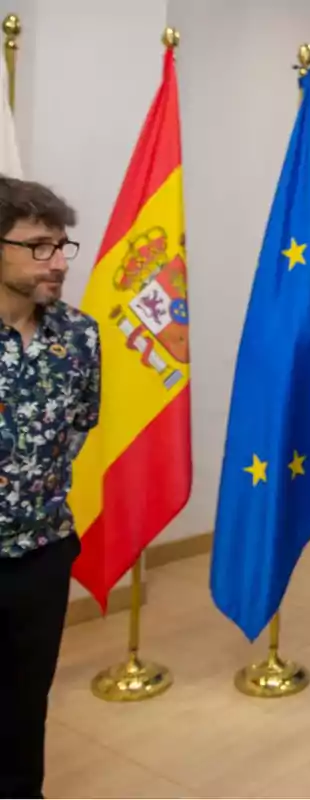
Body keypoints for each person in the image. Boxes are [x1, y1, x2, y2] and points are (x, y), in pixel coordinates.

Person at [0, 177, 98, 800]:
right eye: (39, 246)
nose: (58, 262)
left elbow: (80, 426)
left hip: (42, 554)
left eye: (63, 246)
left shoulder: (78, 335)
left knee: (24, 704)